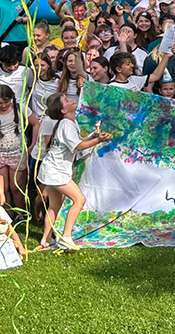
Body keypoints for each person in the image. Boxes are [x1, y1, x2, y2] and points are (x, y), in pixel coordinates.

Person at [38, 93, 114, 251]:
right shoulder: (67, 124)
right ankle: (66, 237)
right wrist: (98, 141)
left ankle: (46, 239)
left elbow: (78, 142)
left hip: (52, 170)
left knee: (55, 205)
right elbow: (78, 147)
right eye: (66, 100)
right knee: (79, 200)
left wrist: (94, 136)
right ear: (64, 110)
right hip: (55, 172)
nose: (71, 100)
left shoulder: (70, 123)